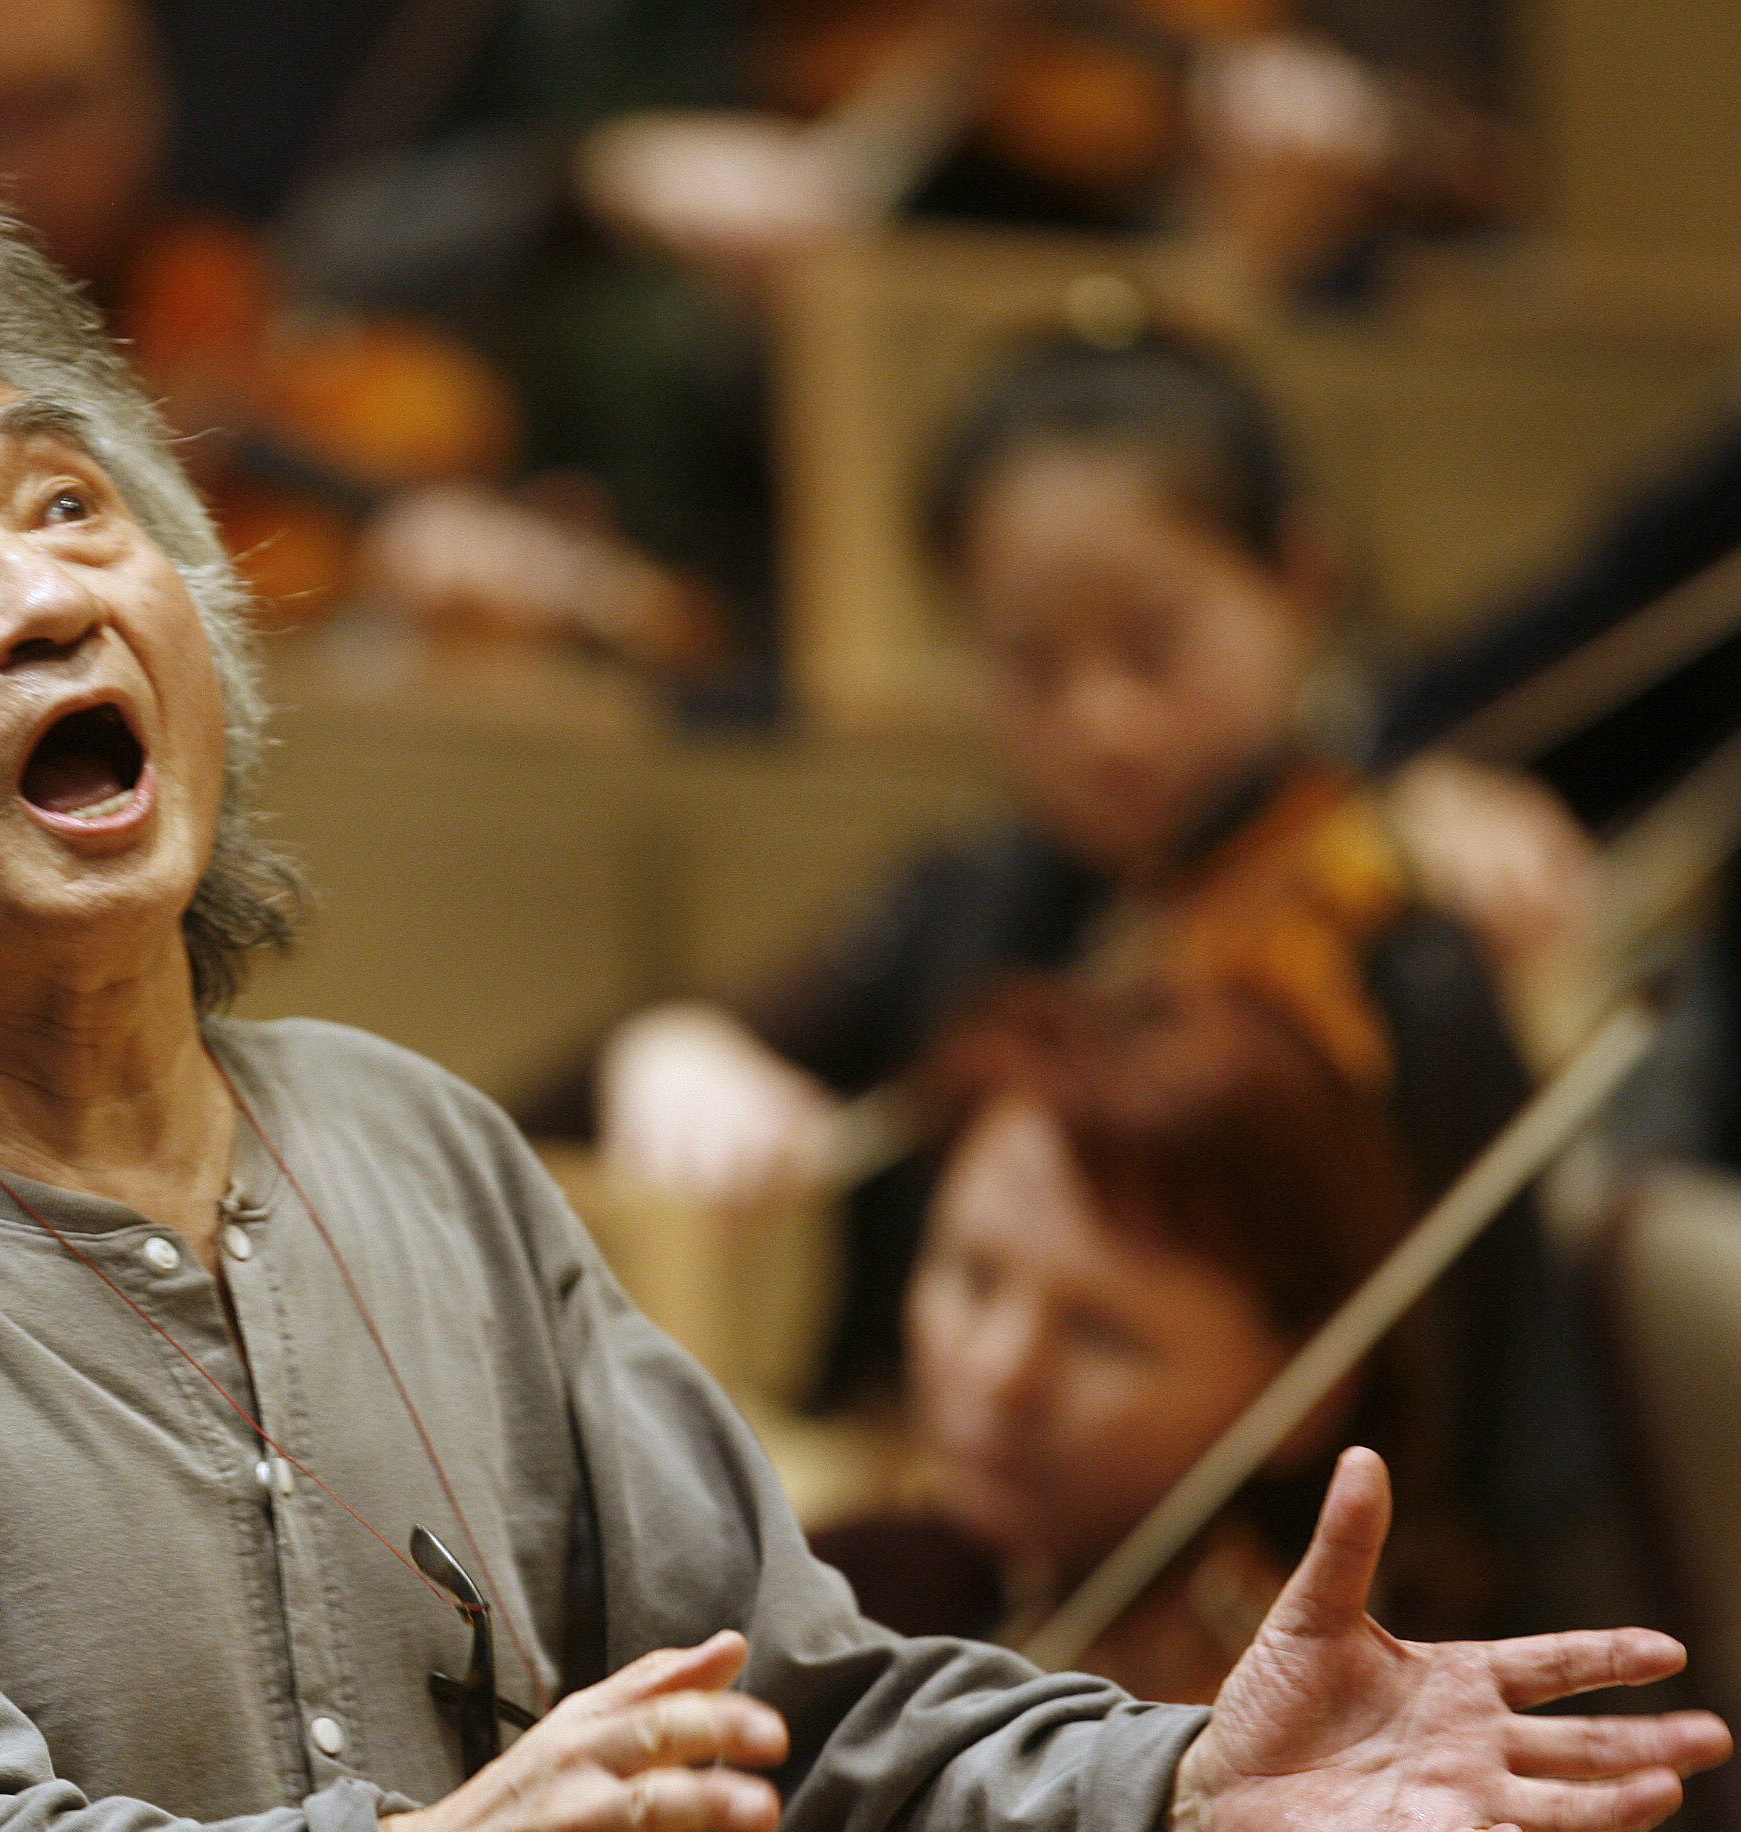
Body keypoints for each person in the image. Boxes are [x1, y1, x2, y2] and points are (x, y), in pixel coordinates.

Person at [0, 139, 1723, 1832]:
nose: (38, 589)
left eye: (69, 507)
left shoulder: (413, 1147)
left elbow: (796, 1739)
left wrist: (1169, 1796)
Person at [554, 331, 1612, 1616]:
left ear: (1298, 579)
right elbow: (560, 1094)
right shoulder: (988, 889)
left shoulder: (1405, 958)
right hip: (973, 1582)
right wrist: (674, 1040)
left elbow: (1514, 1447)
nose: (1098, 718)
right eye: (1029, 664)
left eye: (1151, 643)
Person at [730, 979, 1551, 1832]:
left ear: (1302, 1390)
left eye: (1101, 1333)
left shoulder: (1384, 1768)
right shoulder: (838, 1597)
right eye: (969, 1276)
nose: (995, 1371)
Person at [0, 0, 727, 678]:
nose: (23, 164)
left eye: (61, 104)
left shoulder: (236, 302)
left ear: (148, 93)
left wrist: (394, 627)